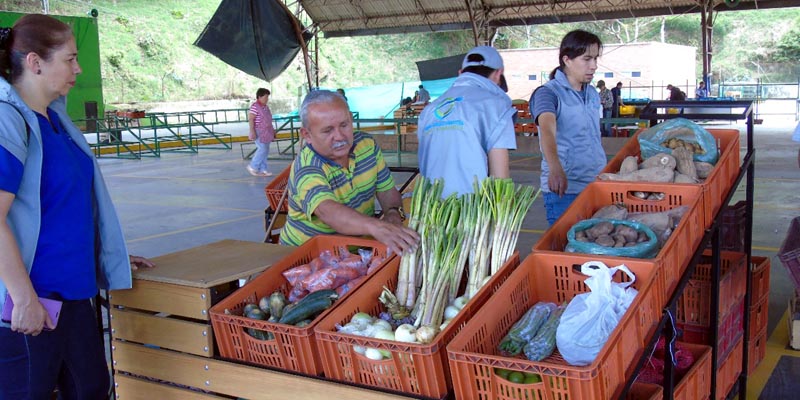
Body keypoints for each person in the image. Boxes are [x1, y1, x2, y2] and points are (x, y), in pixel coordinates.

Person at [0, 14, 154, 399]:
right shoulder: (9, 120)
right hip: (30, 307)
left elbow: (65, 204)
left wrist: (107, 252)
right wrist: (23, 299)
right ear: (35, 63)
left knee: (91, 390)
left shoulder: (55, 118)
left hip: (74, 299)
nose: (78, 68)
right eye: (69, 59)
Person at [279, 90, 419, 255]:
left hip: (354, 250)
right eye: (327, 130)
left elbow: (387, 191)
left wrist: (394, 215)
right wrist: (377, 226)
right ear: (307, 135)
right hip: (306, 255)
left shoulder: (366, 145)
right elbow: (328, 212)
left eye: (344, 125)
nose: (339, 136)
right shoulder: (307, 166)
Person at [416, 46, 517, 197]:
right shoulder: (496, 106)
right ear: (498, 74)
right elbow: (500, 179)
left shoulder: (429, 110)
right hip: (474, 212)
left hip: (431, 209)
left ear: (460, 73)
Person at [530, 30, 607, 225]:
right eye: (587, 59)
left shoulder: (592, 93)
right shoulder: (548, 94)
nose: (594, 66)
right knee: (566, 247)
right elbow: (547, 130)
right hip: (565, 190)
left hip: (595, 185)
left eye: (596, 58)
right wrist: (555, 169)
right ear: (567, 60)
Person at [246, 88, 275, 177]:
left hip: (267, 131)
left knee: (265, 150)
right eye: (265, 97)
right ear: (259, 97)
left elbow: (268, 120)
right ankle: (253, 166)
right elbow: (251, 119)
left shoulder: (265, 107)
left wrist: (273, 131)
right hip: (258, 131)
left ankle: (263, 169)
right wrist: (252, 131)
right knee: (262, 148)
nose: (267, 99)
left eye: (267, 97)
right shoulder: (255, 107)